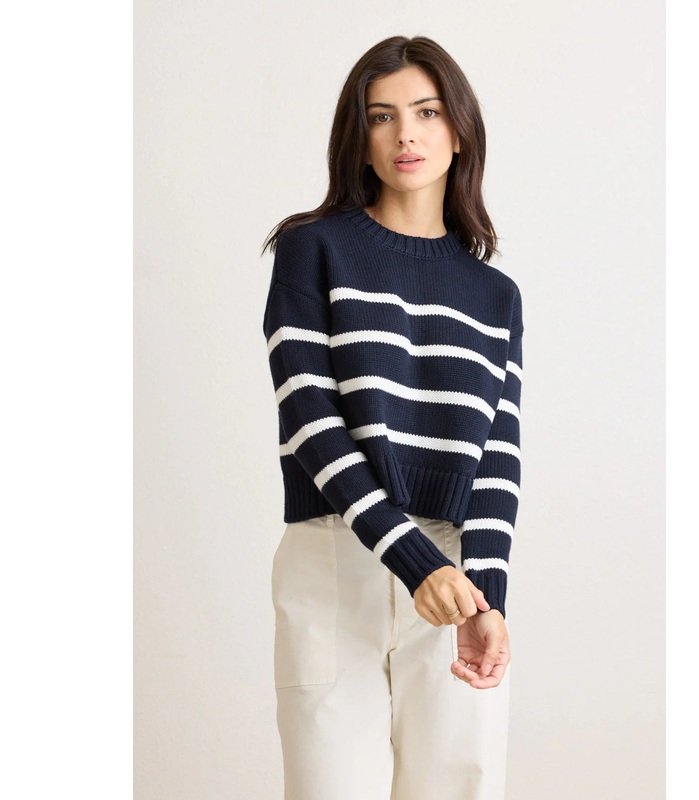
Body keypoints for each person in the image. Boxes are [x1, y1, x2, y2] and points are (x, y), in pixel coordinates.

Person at [261, 35, 523, 800]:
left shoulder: (496, 296)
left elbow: (498, 457)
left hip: (454, 579)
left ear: (460, 129)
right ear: (360, 136)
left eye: (426, 112)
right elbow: (310, 418)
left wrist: (487, 595)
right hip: (336, 558)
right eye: (382, 116)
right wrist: (414, 561)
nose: (406, 133)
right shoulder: (313, 249)